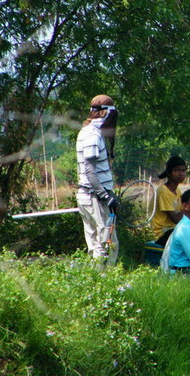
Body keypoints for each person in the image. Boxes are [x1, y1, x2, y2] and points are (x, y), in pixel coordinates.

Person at [75, 94, 119, 258]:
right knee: (107, 245)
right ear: (105, 113)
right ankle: (107, 281)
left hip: (89, 196)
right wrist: (105, 196)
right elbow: (89, 170)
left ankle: (95, 280)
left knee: (95, 246)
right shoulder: (92, 136)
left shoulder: (88, 132)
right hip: (94, 197)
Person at [151, 156, 190, 246]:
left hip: (177, 230)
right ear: (169, 173)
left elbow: (185, 210)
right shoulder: (163, 192)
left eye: (183, 170)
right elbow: (176, 219)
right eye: (177, 170)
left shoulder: (177, 192)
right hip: (164, 234)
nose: (181, 173)